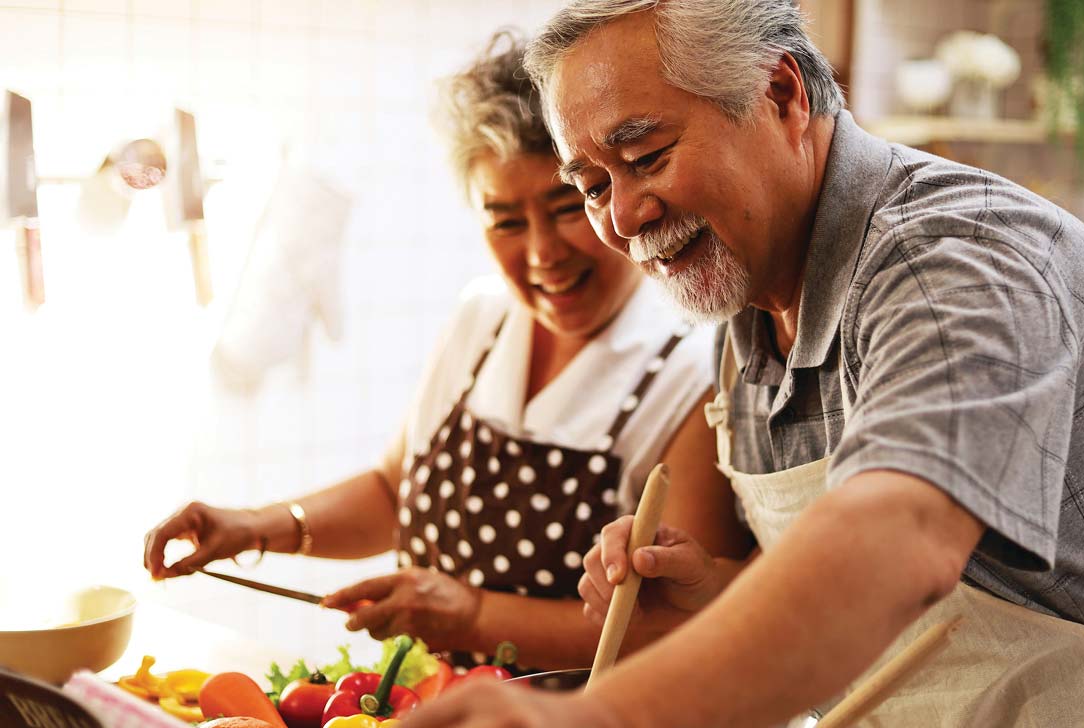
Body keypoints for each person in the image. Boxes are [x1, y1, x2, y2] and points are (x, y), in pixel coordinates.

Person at [406, 2, 1084, 726]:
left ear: (784, 95)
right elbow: (893, 635)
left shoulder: (961, 255)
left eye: (647, 156)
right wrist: (717, 596)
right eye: (589, 184)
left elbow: (897, 540)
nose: (621, 218)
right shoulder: (746, 299)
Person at [142, 30, 751, 673]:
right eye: (506, 221)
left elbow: (675, 632)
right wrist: (258, 527)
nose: (543, 254)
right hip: (423, 702)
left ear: (609, 194)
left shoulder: (691, 376)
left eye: (567, 207)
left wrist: (471, 616)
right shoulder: (482, 320)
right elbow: (391, 491)